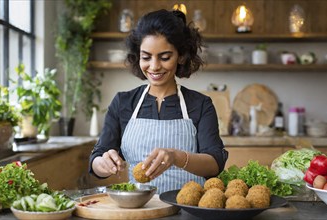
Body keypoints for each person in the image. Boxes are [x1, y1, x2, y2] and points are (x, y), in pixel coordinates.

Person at [89, 9, 228, 194]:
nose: (154, 66)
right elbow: (97, 159)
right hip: (141, 208)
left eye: (165, 57)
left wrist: (176, 157)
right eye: (146, 57)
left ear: (181, 56)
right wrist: (104, 163)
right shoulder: (123, 102)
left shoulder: (200, 104)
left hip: (189, 208)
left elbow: (215, 163)